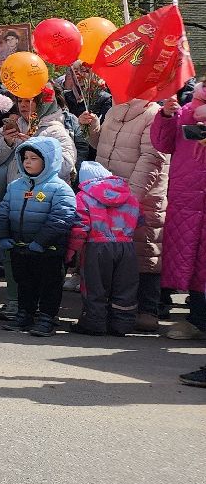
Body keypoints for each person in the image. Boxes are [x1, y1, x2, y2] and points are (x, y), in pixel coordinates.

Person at [0, 92, 77, 321]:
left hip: (44, 204)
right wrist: (7, 143)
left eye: (31, 102)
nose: (25, 106)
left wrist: (34, 148)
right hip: (17, 200)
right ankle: (18, 305)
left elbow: (66, 165)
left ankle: (44, 315)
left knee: (45, 273)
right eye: (21, 101)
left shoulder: (55, 130)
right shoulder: (10, 127)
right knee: (17, 263)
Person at [90, 95, 170, 335]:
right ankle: (118, 308)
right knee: (116, 249)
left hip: (140, 194)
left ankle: (148, 309)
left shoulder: (153, 113)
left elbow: (152, 158)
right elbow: (102, 146)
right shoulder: (115, 110)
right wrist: (92, 127)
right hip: (108, 191)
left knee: (145, 248)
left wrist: (130, 197)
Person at [0, 137, 77, 337]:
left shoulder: (60, 188)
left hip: (48, 250)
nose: (27, 162)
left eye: (33, 158)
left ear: (48, 161)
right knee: (24, 282)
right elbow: (3, 212)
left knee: (49, 285)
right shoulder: (15, 186)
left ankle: (47, 317)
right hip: (20, 246)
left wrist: (41, 241)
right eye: (24, 158)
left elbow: (61, 218)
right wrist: (2, 236)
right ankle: (24, 314)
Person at [151, 89, 206, 337]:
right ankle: (196, 319)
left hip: (195, 198)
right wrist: (165, 115)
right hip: (186, 200)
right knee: (191, 262)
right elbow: (163, 143)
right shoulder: (185, 112)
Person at [68, 160, 143, 337]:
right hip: (126, 246)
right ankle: (122, 325)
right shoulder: (129, 195)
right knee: (125, 287)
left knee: (95, 286)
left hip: (97, 247)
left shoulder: (83, 196)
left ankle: (93, 323)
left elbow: (80, 227)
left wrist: (72, 251)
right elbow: (140, 220)